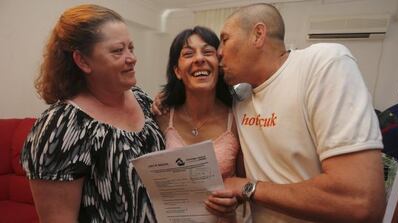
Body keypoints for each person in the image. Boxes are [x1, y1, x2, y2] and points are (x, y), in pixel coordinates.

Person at [208, 3, 386, 223]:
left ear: (258, 35)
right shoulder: (240, 96)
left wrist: (248, 188)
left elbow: (361, 202)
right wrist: (164, 103)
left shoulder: (323, 64)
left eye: (225, 40)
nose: (218, 52)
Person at [20, 4, 164, 222]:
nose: (131, 58)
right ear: (83, 61)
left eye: (131, 48)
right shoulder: (61, 127)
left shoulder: (141, 98)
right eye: (118, 51)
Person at [155, 26, 244, 222]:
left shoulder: (237, 118)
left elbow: (245, 184)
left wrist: (235, 200)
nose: (199, 59)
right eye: (188, 54)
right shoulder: (161, 116)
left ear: (219, 64)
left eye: (207, 52)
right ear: (177, 71)